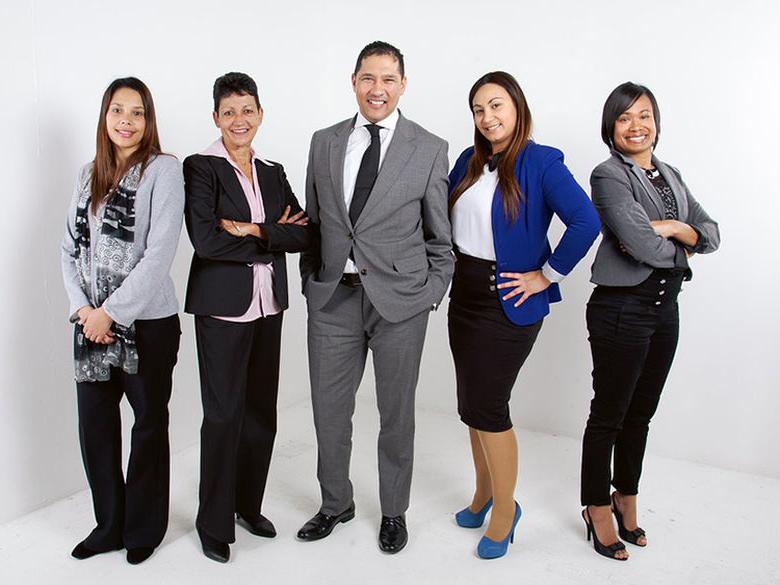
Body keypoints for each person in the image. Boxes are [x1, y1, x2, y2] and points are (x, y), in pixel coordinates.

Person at [297, 41, 453, 554]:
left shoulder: (429, 148)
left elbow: (439, 239)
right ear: (354, 81)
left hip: (401, 305)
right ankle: (335, 503)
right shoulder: (323, 143)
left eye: (388, 79)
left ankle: (393, 511)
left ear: (403, 84)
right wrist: (310, 281)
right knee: (329, 411)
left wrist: (429, 294)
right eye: (368, 78)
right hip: (333, 300)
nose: (377, 89)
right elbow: (315, 225)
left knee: (396, 413)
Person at [448, 71, 600, 560]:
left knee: (490, 408)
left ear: (516, 106)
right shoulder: (468, 163)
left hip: (508, 301)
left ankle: (505, 511)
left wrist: (548, 273)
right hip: (464, 297)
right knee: (471, 406)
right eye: (478, 110)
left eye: (496, 105)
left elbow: (586, 220)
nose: (487, 117)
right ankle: (482, 493)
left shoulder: (541, 162)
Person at [580, 82, 720, 560]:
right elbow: (637, 244)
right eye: (624, 118)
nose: (636, 126)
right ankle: (597, 507)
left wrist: (677, 227)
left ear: (656, 121)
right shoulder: (607, 175)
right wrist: (680, 243)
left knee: (641, 414)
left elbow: (712, 233)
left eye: (644, 115)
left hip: (665, 310)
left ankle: (626, 496)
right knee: (609, 415)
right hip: (621, 308)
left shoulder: (670, 173)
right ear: (611, 128)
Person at [183, 72, 311, 563]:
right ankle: (212, 523)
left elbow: (304, 235)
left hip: (268, 306)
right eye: (229, 111)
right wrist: (270, 234)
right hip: (221, 309)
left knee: (261, 413)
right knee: (222, 415)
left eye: (248, 110)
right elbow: (206, 240)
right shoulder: (201, 167)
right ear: (216, 118)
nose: (240, 120)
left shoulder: (273, 171)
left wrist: (250, 228)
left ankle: (246, 506)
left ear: (261, 114)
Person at [61, 77, 184, 565]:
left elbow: (159, 254)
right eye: (118, 110)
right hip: (90, 325)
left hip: (147, 324)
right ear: (105, 116)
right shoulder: (88, 173)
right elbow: (67, 248)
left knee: (149, 425)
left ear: (148, 120)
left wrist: (110, 312)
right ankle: (109, 525)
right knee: (96, 427)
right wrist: (85, 311)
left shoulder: (163, 171)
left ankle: (143, 529)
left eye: (137, 112)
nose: (127, 121)